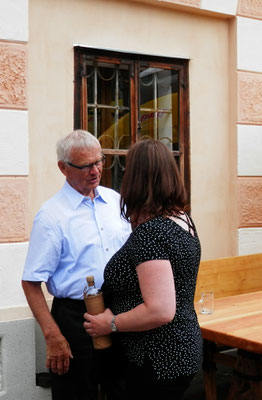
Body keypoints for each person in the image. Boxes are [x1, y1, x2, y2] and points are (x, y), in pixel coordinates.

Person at [84, 139, 203, 400]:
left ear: (135, 180)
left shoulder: (151, 234)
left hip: (156, 357)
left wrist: (110, 324)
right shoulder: (183, 220)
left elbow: (160, 310)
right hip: (179, 349)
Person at [21, 129, 131, 400]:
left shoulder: (115, 202)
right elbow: (31, 282)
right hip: (75, 317)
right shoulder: (51, 216)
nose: (95, 171)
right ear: (63, 168)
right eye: (85, 166)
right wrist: (52, 335)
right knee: (76, 394)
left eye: (99, 162)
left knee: (124, 390)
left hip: (120, 312)